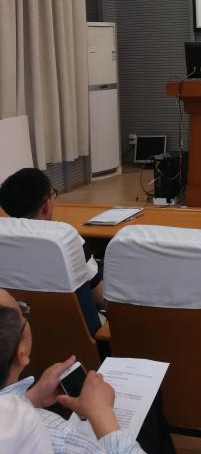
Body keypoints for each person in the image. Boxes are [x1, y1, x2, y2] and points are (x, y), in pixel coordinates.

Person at [0, 288, 144, 453]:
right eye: (22, 312)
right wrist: (102, 414)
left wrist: (32, 398)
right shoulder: (59, 436)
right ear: (21, 353)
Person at [0, 168, 105, 310]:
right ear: (45, 206)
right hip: (75, 322)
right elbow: (102, 299)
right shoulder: (66, 239)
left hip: (21, 319)